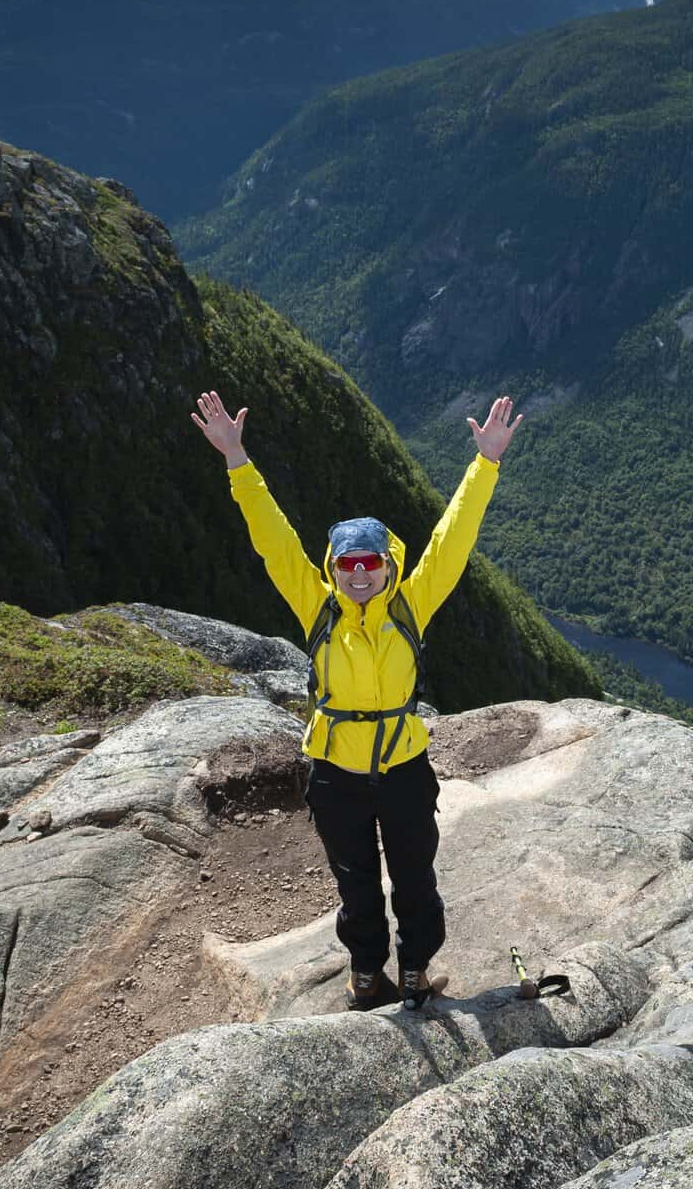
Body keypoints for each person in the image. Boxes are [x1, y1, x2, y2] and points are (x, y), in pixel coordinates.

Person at [191, 388, 523, 1012]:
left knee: (415, 880)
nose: (360, 572)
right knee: (357, 883)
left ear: (388, 564)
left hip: (401, 768)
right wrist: (237, 461)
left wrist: (485, 466)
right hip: (336, 772)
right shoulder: (316, 606)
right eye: (348, 563)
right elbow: (274, 541)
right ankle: (369, 976)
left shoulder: (410, 606)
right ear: (334, 568)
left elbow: (452, 542)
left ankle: (416, 970)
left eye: (371, 561)